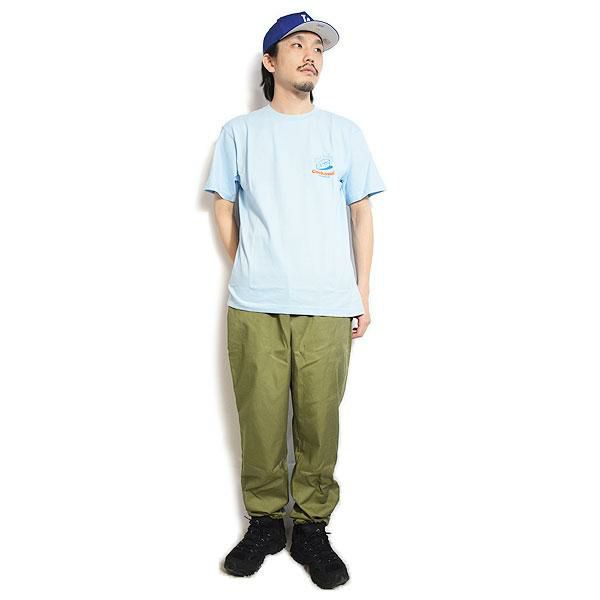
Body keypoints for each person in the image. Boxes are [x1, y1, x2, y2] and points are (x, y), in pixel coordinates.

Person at [203, 11, 385, 590]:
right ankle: (263, 523)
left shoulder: (343, 133)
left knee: (318, 421)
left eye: (318, 48)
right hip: (254, 304)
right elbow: (223, 205)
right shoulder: (240, 133)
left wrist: (362, 292)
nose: (311, 55)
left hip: (328, 304)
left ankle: (310, 526)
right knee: (259, 419)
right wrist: (248, 262)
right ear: (270, 61)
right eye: (297, 45)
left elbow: (361, 214)